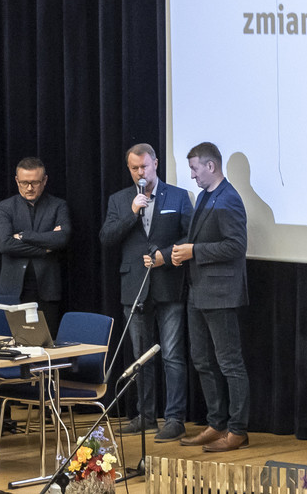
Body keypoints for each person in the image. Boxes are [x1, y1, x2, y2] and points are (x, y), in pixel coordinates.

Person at [98, 143, 192, 442]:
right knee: (141, 357)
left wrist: (166, 255)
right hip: (134, 286)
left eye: (145, 167)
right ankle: (146, 415)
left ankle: (175, 418)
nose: (141, 172)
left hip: (169, 284)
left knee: (173, 355)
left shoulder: (178, 196)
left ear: (156, 164)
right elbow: (107, 237)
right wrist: (132, 212)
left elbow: (191, 236)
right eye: (135, 168)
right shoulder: (120, 200)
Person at [172, 142, 249, 452]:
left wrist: (195, 251)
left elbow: (236, 246)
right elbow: (198, 239)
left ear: (211, 166)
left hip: (221, 294)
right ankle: (216, 424)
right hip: (198, 290)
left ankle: (237, 430)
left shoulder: (229, 199)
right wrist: (181, 251)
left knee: (230, 363)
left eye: (194, 169)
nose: (192, 175)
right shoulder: (206, 196)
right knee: (202, 360)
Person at [0, 156, 71, 335]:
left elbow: (61, 239)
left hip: (47, 290)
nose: (29, 188)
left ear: (44, 180)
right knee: (10, 343)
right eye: (24, 183)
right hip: (13, 290)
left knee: (46, 343)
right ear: (17, 181)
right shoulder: (6, 207)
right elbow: (5, 244)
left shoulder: (58, 206)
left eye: (35, 182)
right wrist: (45, 249)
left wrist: (23, 236)